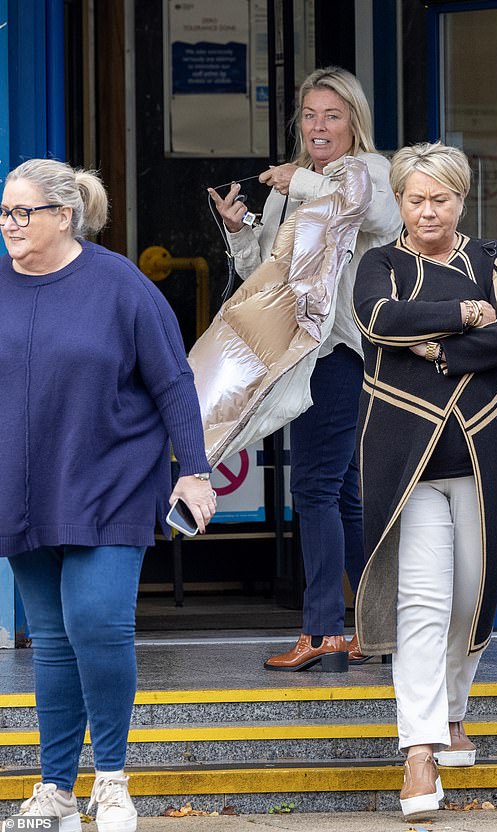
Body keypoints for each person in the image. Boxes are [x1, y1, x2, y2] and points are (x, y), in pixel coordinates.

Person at [0, 159, 216, 832]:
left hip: (110, 477)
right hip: (22, 482)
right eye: (3, 213)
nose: (9, 225)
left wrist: (194, 469)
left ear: (63, 216)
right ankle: (56, 789)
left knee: (96, 622)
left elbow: (173, 382)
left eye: (21, 213)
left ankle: (114, 780)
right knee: (55, 640)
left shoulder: (118, 283)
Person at [352, 141, 497, 819]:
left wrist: (429, 349)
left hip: (489, 453)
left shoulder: (490, 259)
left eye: (442, 199)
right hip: (410, 463)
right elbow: (376, 319)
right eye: (415, 198)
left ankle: (453, 711)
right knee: (422, 605)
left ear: (462, 199)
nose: (428, 211)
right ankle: (421, 750)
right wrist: (461, 317)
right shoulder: (381, 263)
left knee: (472, 596)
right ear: (398, 200)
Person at [209, 67, 401, 672]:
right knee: (342, 493)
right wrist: (239, 232)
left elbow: (378, 219)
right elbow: (264, 274)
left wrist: (302, 184)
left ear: (354, 123)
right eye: (310, 116)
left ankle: (322, 631)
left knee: (314, 488)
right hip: (299, 351)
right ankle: (377, 629)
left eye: (332, 116)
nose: (319, 127)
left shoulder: (370, 171)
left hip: (341, 352)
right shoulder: (289, 186)